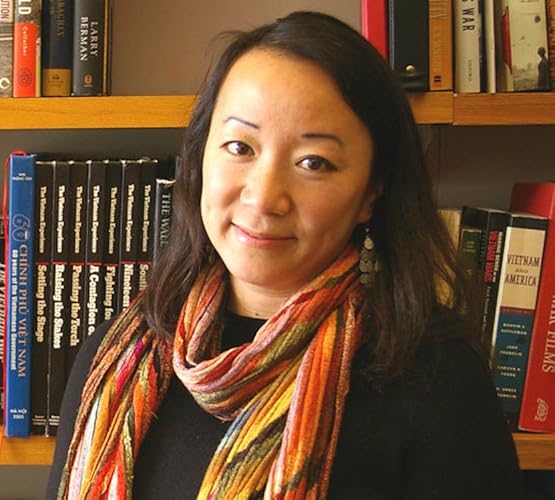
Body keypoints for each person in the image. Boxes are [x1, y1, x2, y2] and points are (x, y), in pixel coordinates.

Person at [48, 11, 523, 499]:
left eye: (313, 163)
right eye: (240, 147)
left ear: (371, 192)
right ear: (200, 157)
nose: (264, 198)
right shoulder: (116, 355)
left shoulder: (436, 381)